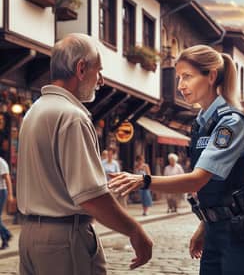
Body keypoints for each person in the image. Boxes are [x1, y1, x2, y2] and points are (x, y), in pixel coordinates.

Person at [109, 45, 244, 275]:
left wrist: (143, 180)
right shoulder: (201, 124)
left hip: (241, 236)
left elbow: (198, 180)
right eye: (178, 78)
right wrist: (205, 227)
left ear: (211, 76)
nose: (180, 85)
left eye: (187, 77)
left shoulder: (231, 124)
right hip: (215, 231)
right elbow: (218, 188)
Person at [17, 33, 152, 275]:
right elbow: (91, 196)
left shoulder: (34, 111)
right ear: (81, 68)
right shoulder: (72, 116)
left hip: (30, 237)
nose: (101, 80)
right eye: (98, 71)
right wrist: (136, 231)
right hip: (64, 240)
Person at [0, 156, 13, 249]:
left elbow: (7, 178)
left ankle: (6, 235)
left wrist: (10, 195)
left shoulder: (1, 162)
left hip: (1, 191)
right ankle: (6, 239)